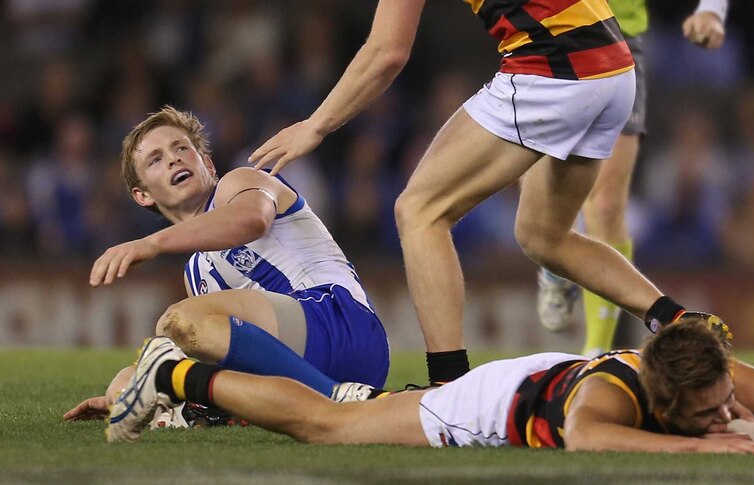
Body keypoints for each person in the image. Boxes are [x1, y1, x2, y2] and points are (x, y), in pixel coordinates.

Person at [247, 0, 712, 386]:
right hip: (613, 69)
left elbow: (387, 51)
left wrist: (316, 125)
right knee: (544, 235)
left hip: (553, 67)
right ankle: (677, 320)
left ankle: (449, 385)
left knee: (419, 210)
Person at [64, 106, 389, 423]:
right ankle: (223, 411)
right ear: (143, 196)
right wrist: (123, 396)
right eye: (156, 159)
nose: (173, 158)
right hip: (302, 362)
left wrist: (152, 243)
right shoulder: (196, 271)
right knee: (127, 379)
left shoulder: (238, 183)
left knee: (178, 321)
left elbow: (251, 220)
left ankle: (337, 403)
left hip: (343, 323)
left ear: (206, 162)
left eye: (181, 148)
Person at [105, 318, 754, 452]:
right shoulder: (617, 400)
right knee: (325, 424)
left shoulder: (711, 374)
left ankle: (172, 387)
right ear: (664, 403)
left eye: (730, 399)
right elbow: (588, 437)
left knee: (339, 407)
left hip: (538, 373)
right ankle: (174, 371)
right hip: (487, 402)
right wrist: (722, 452)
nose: (732, 410)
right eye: (711, 412)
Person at [537, 0, 729, 358]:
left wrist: (712, 9)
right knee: (542, 185)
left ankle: (594, 350)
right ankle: (553, 256)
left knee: (607, 204)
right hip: (545, 31)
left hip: (618, 37)